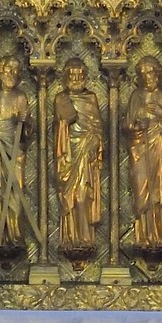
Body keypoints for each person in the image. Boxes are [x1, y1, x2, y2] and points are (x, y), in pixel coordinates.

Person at [124, 57, 162, 258]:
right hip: (140, 151)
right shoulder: (136, 97)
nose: (148, 77)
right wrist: (138, 124)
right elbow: (126, 126)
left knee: (158, 192)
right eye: (144, 74)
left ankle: (160, 235)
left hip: (160, 151)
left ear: (158, 74)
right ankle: (143, 235)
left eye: (151, 72)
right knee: (141, 191)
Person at [0, 55, 33, 255]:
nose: (11, 73)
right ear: (0, 70)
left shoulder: (20, 97)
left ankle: (15, 234)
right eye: (8, 68)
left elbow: (28, 131)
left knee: (15, 192)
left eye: (15, 70)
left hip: (15, 149)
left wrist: (25, 121)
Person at [52, 58, 103, 259]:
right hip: (68, 154)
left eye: (79, 75)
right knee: (69, 197)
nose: (75, 79)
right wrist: (64, 124)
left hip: (86, 153)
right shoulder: (60, 99)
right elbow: (58, 128)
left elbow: (97, 126)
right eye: (71, 75)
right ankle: (69, 236)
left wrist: (95, 141)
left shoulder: (90, 98)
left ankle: (85, 237)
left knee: (83, 196)